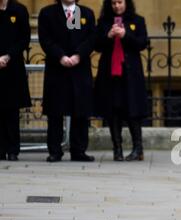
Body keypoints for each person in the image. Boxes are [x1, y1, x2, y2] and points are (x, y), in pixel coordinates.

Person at [38, 0, 96, 163]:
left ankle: (78, 150)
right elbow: (46, 39)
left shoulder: (85, 13)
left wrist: (78, 54)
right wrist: (61, 56)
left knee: (80, 111)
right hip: (57, 68)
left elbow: (91, 38)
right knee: (55, 112)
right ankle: (55, 151)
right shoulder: (47, 13)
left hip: (80, 68)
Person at [94, 0, 148, 161]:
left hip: (130, 74)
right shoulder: (104, 22)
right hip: (110, 73)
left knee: (133, 111)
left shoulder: (137, 20)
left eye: (120, 2)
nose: (117, 6)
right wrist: (108, 36)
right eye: (113, 3)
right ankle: (117, 149)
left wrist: (126, 35)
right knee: (113, 111)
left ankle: (138, 149)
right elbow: (96, 45)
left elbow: (142, 43)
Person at [0, 0, 31, 161]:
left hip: (13, 67)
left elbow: (24, 38)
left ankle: (13, 149)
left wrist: (8, 56)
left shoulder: (19, 9)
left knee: (12, 110)